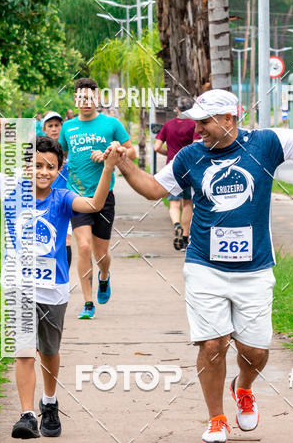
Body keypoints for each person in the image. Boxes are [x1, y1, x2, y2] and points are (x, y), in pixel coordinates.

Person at [109, 78, 293, 443]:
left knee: (255, 350)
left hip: (255, 268)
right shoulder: (190, 156)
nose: (196, 129)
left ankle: (243, 386)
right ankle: (216, 419)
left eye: (204, 122)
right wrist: (123, 166)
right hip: (204, 265)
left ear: (229, 119)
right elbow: (154, 188)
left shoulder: (264, 144)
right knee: (212, 345)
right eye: (195, 122)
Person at [0, 120, 122, 440]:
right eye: (36, 164)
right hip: (17, 284)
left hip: (52, 288)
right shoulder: (11, 188)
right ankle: (27, 414)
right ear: (26, 165)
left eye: (50, 167)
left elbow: (95, 205)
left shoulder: (64, 197)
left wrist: (109, 167)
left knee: (49, 351)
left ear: (59, 169)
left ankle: (50, 402)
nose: (42, 171)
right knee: (24, 349)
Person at [59, 78, 137, 320]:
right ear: (75, 99)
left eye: (89, 97)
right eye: (80, 98)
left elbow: (131, 151)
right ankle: (87, 302)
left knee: (101, 255)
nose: (85, 102)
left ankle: (104, 276)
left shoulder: (111, 124)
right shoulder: (67, 128)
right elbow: (59, 155)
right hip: (77, 196)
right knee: (83, 247)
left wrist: (113, 151)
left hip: (104, 197)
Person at [153, 97, 197, 250]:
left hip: (171, 170)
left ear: (177, 109)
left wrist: (169, 154)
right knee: (187, 203)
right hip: (189, 170)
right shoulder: (194, 125)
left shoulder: (168, 125)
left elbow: (156, 147)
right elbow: (197, 147)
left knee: (173, 203)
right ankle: (185, 238)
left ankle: (176, 225)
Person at [42, 111, 72, 267]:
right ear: (44, 129)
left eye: (57, 125)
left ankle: (64, 277)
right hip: (44, 201)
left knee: (66, 238)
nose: (54, 129)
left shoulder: (68, 148)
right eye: (50, 126)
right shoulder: (40, 149)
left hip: (64, 200)